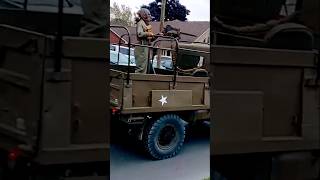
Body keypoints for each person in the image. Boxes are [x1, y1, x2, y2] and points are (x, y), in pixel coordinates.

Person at [134, 8, 155, 73]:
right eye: (149, 15)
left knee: (145, 67)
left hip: (145, 47)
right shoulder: (140, 23)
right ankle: (137, 82)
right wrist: (149, 33)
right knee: (141, 67)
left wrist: (156, 36)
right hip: (141, 47)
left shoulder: (145, 24)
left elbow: (149, 39)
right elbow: (139, 34)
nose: (150, 18)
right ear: (144, 15)